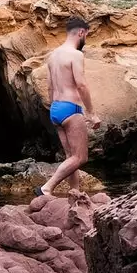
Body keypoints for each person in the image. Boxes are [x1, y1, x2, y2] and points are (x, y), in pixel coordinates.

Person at [39, 16, 94, 198]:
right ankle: (46, 188)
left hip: (56, 108)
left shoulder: (52, 56)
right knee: (80, 157)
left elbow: (49, 86)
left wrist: (56, 107)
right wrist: (92, 113)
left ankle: (74, 194)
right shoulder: (76, 55)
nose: (85, 39)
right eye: (86, 35)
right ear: (81, 32)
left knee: (71, 157)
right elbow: (81, 85)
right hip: (71, 108)